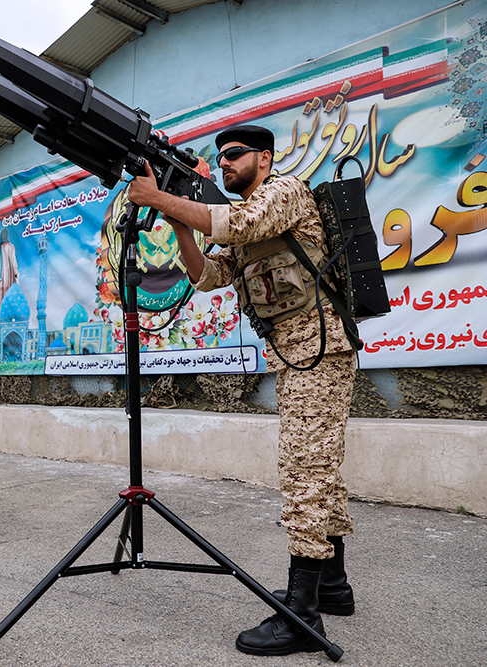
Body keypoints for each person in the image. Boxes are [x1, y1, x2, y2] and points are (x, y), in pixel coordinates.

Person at [128, 125, 356, 657]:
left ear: (265, 158)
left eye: (234, 155)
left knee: (304, 471)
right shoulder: (246, 219)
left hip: (320, 351)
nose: (225, 163)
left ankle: (302, 616)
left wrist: (162, 197)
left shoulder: (283, 192)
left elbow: (237, 224)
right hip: (299, 355)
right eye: (220, 157)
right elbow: (207, 275)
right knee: (320, 468)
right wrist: (175, 218)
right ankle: (333, 587)